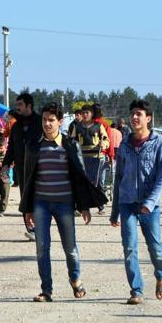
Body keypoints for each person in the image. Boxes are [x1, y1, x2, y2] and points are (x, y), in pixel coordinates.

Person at [21, 102, 106, 302]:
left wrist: (83, 206)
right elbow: (27, 179)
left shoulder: (70, 145)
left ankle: (75, 279)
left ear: (60, 122)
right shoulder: (34, 146)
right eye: (44, 120)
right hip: (41, 204)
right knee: (42, 247)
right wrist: (28, 209)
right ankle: (46, 290)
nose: (47, 124)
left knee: (70, 247)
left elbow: (80, 176)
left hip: (64, 204)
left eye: (51, 120)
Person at [110, 99, 162, 305]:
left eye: (139, 114)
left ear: (148, 118)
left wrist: (150, 202)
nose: (135, 117)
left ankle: (161, 276)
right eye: (133, 113)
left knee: (155, 246)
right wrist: (114, 211)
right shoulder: (125, 143)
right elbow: (118, 178)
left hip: (149, 205)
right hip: (127, 203)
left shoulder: (159, 142)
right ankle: (136, 290)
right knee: (129, 248)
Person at [2, 93, 43, 241]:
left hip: (39, 168)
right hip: (21, 169)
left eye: (20, 104)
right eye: (17, 104)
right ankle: (31, 229)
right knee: (25, 199)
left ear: (29, 106)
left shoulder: (40, 122)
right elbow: (11, 147)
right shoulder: (16, 126)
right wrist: (5, 164)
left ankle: (40, 228)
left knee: (39, 199)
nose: (17, 107)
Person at [69, 105, 110, 214]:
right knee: (80, 181)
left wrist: (104, 144)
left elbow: (107, 140)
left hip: (96, 157)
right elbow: (71, 141)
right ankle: (79, 207)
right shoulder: (76, 127)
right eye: (83, 113)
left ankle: (100, 205)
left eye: (87, 112)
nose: (85, 115)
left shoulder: (99, 126)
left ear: (92, 114)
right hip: (81, 158)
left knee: (95, 182)